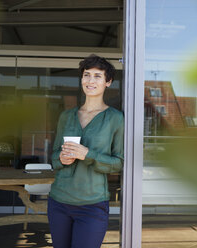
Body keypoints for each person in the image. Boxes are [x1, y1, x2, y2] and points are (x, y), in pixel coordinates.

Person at [48, 54, 124, 248]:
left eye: (98, 76)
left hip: (92, 205)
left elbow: (119, 162)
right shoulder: (67, 116)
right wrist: (61, 158)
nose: (90, 80)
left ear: (108, 82)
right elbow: (54, 156)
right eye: (86, 75)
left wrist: (87, 154)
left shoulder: (116, 119)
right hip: (59, 202)